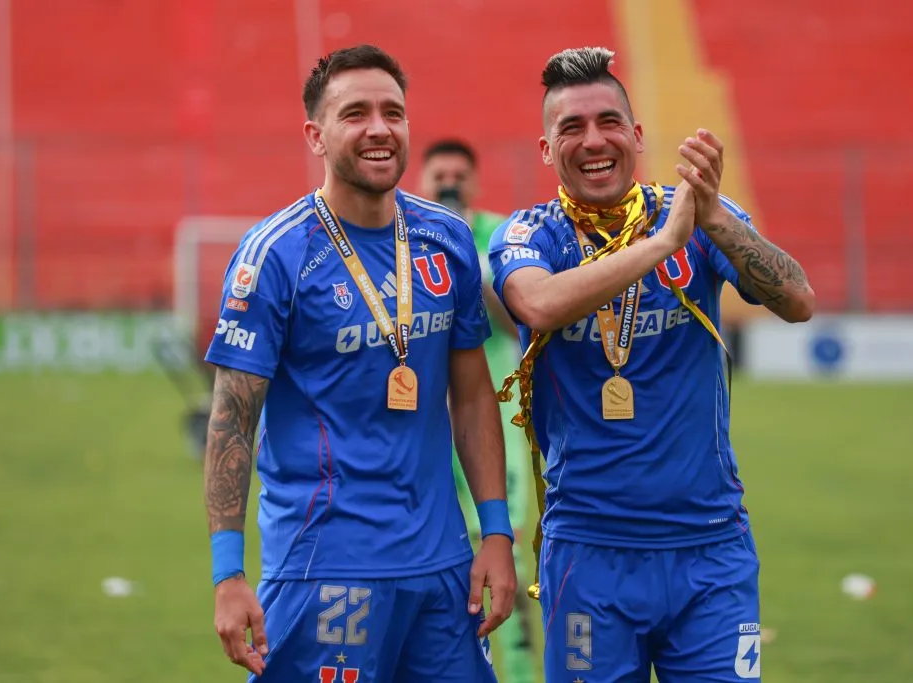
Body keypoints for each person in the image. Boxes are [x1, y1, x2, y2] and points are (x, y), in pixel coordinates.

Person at [489, 47, 815, 683]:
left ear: (636, 135)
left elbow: (798, 300)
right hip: (589, 553)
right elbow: (538, 303)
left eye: (608, 121)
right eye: (572, 128)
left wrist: (712, 215)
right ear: (546, 150)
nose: (593, 141)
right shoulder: (530, 234)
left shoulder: (699, 216)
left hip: (711, 549)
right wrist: (664, 242)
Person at [202, 44, 516, 683]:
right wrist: (228, 573)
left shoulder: (447, 239)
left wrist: (496, 532)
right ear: (316, 136)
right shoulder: (276, 255)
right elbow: (232, 420)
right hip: (325, 565)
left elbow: (473, 395)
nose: (379, 128)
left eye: (392, 113)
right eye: (356, 114)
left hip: (441, 566)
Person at [419, 139, 536, 683]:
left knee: (505, 541)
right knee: (442, 549)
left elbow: (521, 324)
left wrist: (466, 255)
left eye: (458, 175)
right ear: (422, 182)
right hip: (424, 414)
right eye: (439, 175)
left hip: (494, 409)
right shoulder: (404, 234)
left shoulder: (501, 236)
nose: (449, 183)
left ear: (475, 181)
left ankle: (520, 671)